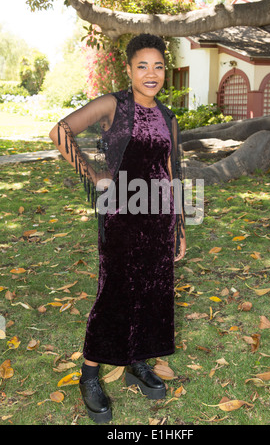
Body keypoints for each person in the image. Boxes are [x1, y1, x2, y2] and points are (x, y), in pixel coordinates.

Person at [49, 34, 186, 424]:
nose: (151, 74)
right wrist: (94, 175)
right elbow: (60, 132)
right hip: (122, 218)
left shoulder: (168, 117)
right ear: (127, 69)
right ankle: (89, 376)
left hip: (159, 219)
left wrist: (178, 226)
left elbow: (172, 171)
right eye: (142, 66)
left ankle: (136, 362)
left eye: (158, 66)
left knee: (152, 292)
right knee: (116, 295)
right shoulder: (114, 105)